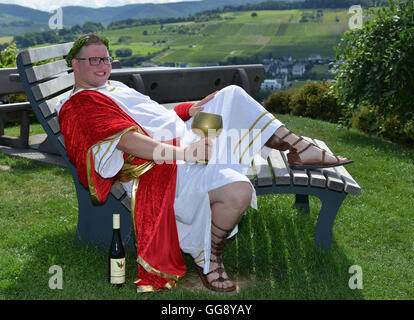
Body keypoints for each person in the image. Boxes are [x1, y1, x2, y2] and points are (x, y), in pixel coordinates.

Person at [57, 33, 352, 293]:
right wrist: (186, 154)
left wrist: (192, 109)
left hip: (187, 139)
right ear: (75, 64)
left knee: (232, 95)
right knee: (239, 192)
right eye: (93, 60)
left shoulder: (113, 89)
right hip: (166, 166)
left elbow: (157, 115)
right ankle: (210, 257)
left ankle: (299, 148)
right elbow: (128, 142)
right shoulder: (80, 105)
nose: (101, 65)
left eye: (105, 58)